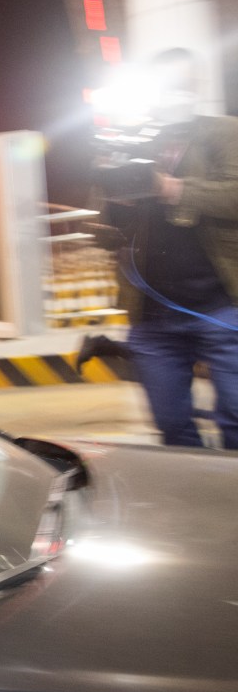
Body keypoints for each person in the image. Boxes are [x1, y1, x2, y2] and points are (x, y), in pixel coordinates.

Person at [99, 47, 238, 449]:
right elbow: (114, 225)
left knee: (236, 416)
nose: (175, 93)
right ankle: (194, 499)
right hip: (152, 315)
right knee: (171, 425)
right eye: (166, 86)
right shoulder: (137, 141)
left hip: (223, 303)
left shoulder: (225, 132)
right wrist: (116, 201)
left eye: (183, 84)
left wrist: (173, 189)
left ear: (196, 86)